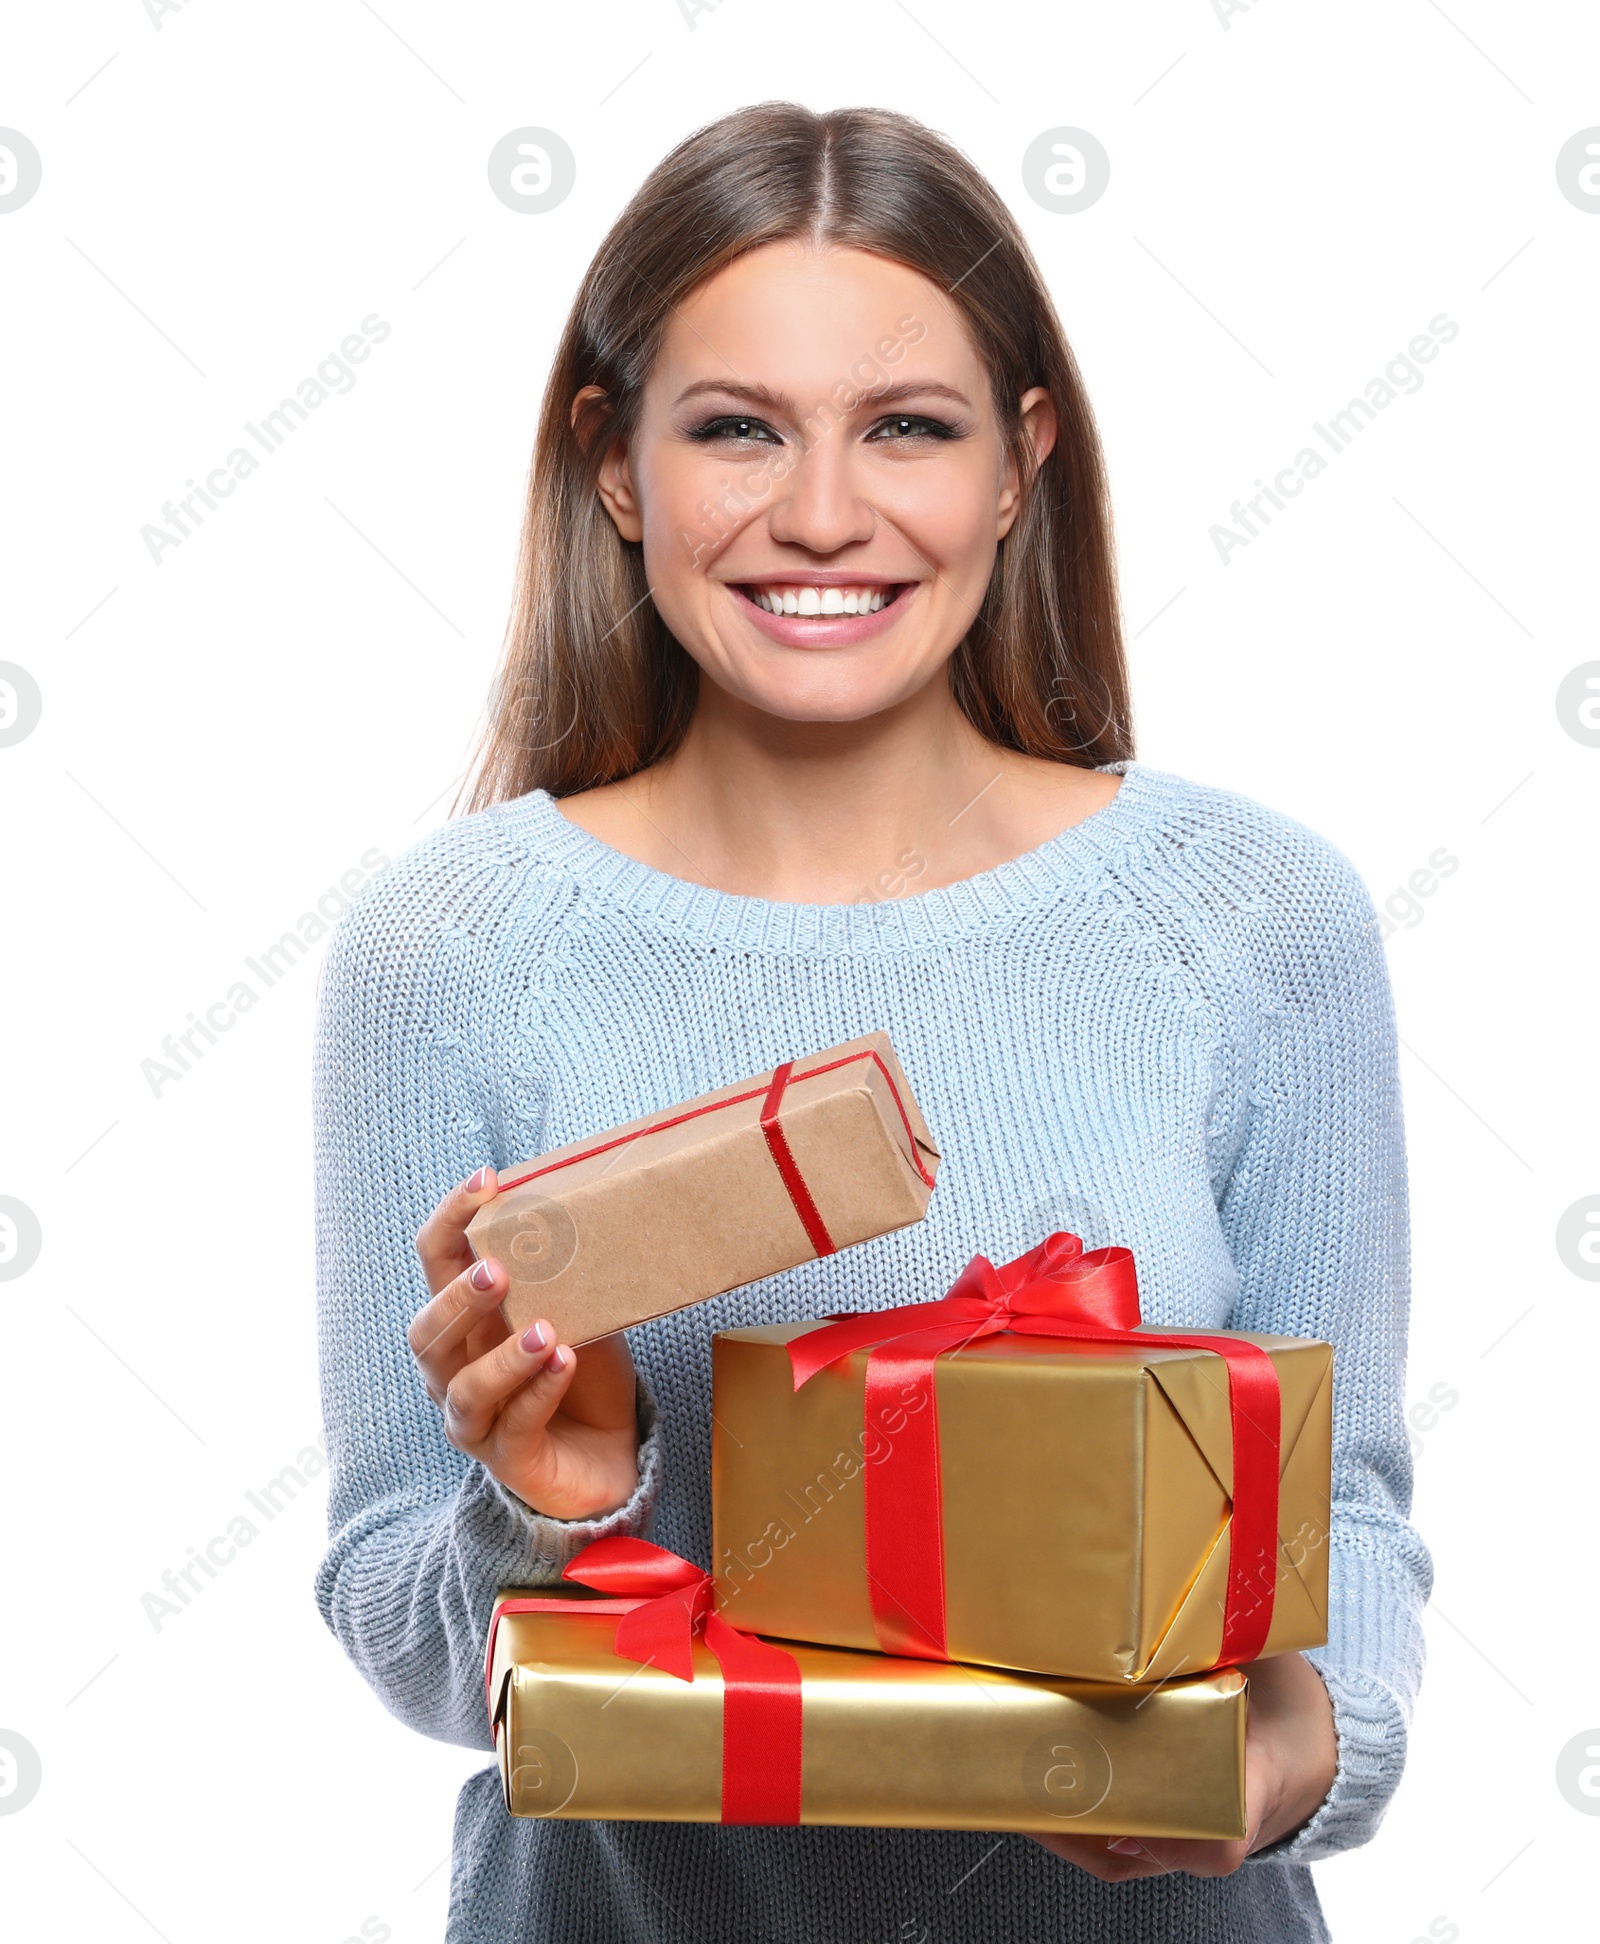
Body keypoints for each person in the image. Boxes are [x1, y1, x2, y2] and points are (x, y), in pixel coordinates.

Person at [312, 102, 1429, 1944]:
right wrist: (543, 1508)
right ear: (614, 468)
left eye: (907, 427)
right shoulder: (451, 949)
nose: (821, 514)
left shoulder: (1255, 922)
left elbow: (1347, 1520)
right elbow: (404, 1629)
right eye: (736, 428)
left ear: (1020, 465)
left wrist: (1286, 1761)